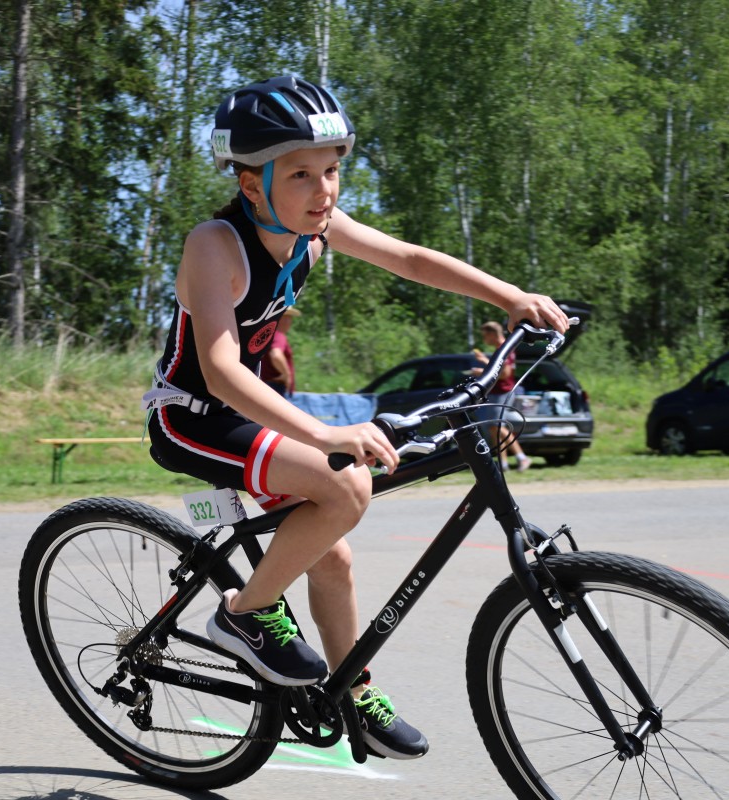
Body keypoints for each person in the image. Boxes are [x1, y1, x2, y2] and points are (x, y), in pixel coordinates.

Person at [144, 75, 568, 760]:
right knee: (346, 486)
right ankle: (244, 614)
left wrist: (511, 296)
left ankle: (350, 694)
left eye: (332, 170)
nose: (325, 190)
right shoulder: (215, 245)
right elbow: (219, 371)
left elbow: (408, 259)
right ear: (252, 183)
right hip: (193, 417)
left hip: (254, 416)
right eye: (302, 174)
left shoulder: (314, 230)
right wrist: (325, 433)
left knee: (331, 555)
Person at [473, 321, 532, 471]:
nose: (485, 339)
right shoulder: (504, 348)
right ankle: (502, 463)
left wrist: (482, 371)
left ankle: (522, 457)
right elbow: (499, 368)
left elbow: (505, 374)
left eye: (485, 336)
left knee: (496, 426)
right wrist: (484, 361)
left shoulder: (505, 349)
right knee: (494, 429)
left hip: (502, 392)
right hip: (497, 392)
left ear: (492, 334)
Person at [260, 306, 299, 396]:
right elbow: (276, 355)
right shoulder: (279, 335)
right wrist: (287, 375)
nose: (288, 321)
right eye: (286, 317)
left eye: (289, 318)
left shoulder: (266, 335)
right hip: (276, 387)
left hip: (265, 386)